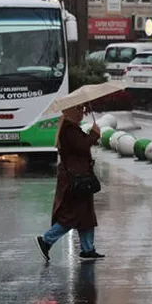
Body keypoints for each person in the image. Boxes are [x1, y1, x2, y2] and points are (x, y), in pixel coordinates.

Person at [34, 105, 104, 262]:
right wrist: (94, 135)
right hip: (75, 177)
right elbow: (82, 146)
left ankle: (88, 249)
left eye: (82, 109)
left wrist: (91, 136)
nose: (82, 112)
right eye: (78, 109)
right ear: (70, 111)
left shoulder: (71, 127)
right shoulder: (68, 129)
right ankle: (46, 240)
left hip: (80, 175)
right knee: (73, 214)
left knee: (85, 213)